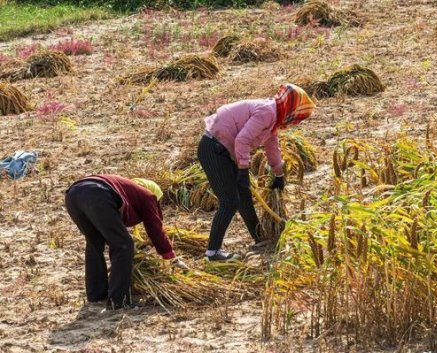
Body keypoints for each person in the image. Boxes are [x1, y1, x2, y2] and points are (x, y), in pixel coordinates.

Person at [198, 83, 316, 261]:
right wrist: (243, 170)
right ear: (291, 108)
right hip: (213, 149)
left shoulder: (274, 118)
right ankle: (212, 252)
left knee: (244, 196)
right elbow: (242, 140)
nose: (295, 121)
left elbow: (272, 147)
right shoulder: (267, 112)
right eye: (297, 116)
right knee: (229, 202)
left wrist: (279, 174)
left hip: (222, 149)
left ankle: (258, 236)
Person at [65, 174, 189, 310]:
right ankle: (119, 300)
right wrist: (169, 256)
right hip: (98, 193)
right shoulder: (147, 195)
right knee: (124, 245)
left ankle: (96, 295)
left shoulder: (127, 188)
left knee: (94, 242)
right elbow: (155, 228)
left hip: (73, 196)